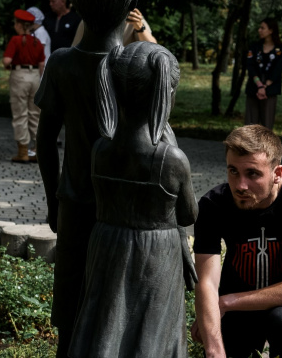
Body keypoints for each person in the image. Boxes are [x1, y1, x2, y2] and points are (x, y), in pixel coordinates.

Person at [34, 0, 142, 357]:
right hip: (123, 210)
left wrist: (52, 200)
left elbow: (45, 141)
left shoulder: (61, 62)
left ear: (73, 0)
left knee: (71, 310)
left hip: (74, 204)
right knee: (116, 309)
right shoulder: (138, 64)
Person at [69, 42, 197, 357]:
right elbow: (188, 214)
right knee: (152, 330)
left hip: (107, 243)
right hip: (154, 252)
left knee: (105, 322)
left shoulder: (101, 149)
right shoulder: (171, 159)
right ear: (165, 94)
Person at [192, 125, 282, 358]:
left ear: (277, 174)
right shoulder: (213, 205)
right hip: (240, 292)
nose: (240, 185)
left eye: (252, 174)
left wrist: (226, 302)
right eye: (233, 171)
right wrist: (214, 350)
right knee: (217, 339)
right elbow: (206, 282)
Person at [3, 9, 46, 163]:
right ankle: (37, 150)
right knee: (35, 113)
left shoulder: (15, 41)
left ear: (19, 25)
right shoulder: (38, 43)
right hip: (35, 77)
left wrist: (8, 66)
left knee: (20, 113)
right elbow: (42, 64)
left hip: (19, 76)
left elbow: (7, 61)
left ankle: (23, 151)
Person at [245, 18, 282, 130]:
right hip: (254, 89)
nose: (259, 30)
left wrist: (265, 86)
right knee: (250, 126)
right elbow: (251, 66)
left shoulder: (281, 49)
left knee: (266, 128)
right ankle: (249, 148)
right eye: (260, 27)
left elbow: (277, 70)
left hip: (270, 91)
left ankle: (265, 148)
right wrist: (259, 85)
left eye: (262, 28)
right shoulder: (254, 47)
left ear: (271, 30)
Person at [70, 7, 157, 47]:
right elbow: (75, 52)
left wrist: (140, 28)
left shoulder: (132, 18)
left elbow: (153, 47)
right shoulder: (89, 21)